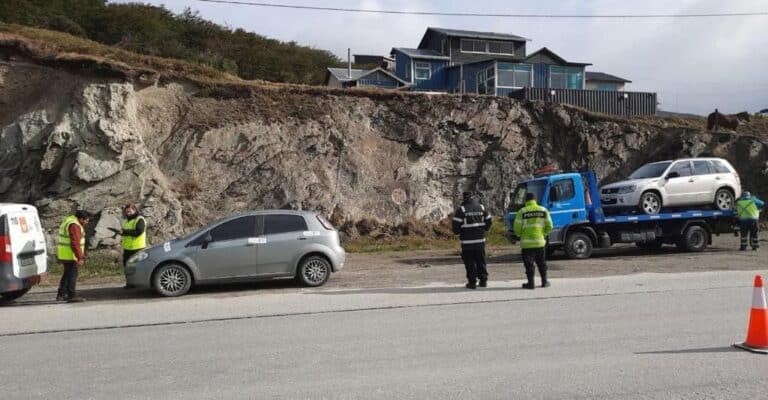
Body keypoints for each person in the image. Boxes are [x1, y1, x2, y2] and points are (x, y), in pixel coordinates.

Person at [452, 192, 493, 289]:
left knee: (469, 263)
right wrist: (484, 229)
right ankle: (483, 281)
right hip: (480, 241)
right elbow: (489, 221)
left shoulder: (462, 209)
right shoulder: (482, 207)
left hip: (467, 242)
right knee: (481, 261)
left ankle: (472, 282)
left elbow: (455, 226)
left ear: (464, 198)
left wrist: (458, 232)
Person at [513, 193, 553, 289]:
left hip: (527, 244)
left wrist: (520, 235)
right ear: (535, 200)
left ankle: (531, 283)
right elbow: (550, 226)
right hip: (539, 242)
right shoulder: (543, 210)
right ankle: (544, 281)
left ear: (526, 201)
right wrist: (543, 234)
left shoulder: (522, 211)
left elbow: (517, 228)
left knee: (529, 264)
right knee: (541, 263)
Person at [56, 210, 90, 303]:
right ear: (81, 219)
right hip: (71, 254)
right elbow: (75, 243)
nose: (87, 222)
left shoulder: (69, 220)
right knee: (72, 275)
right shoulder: (75, 225)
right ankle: (72, 295)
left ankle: (62, 294)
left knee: (67, 274)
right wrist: (80, 257)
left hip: (66, 253)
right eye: (86, 220)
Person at [120, 203, 147, 288]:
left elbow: (138, 232)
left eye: (130, 211)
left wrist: (124, 232)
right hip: (127, 248)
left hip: (138, 248)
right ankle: (130, 283)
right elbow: (127, 233)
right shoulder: (126, 221)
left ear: (134, 210)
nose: (128, 213)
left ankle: (142, 283)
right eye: (126, 212)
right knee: (127, 267)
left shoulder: (139, 219)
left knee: (138, 267)